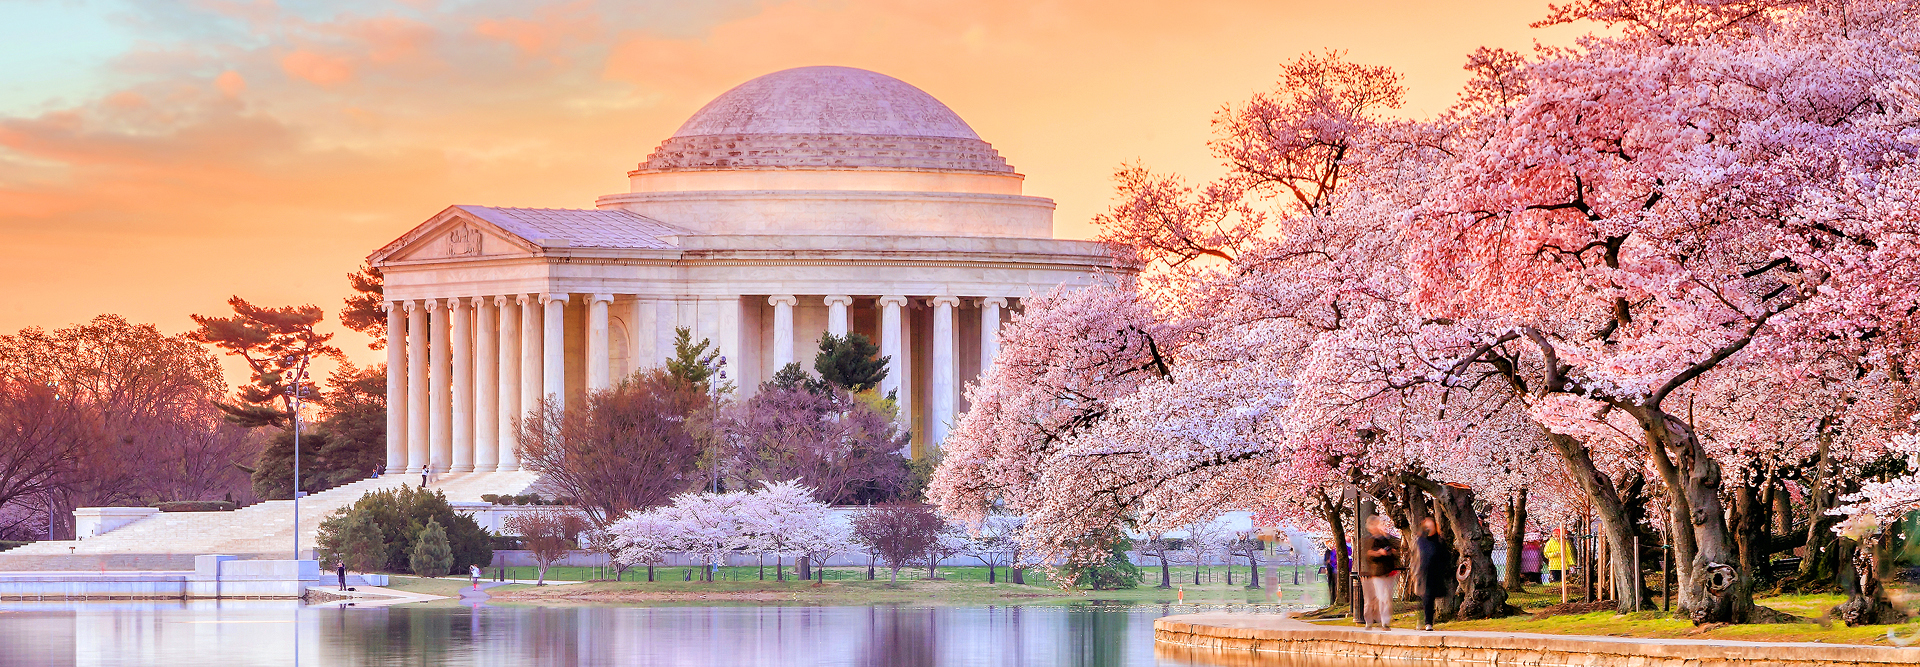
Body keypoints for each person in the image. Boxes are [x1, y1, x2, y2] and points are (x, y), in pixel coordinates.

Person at [1360, 515, 1403, 631]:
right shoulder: (1369, 540)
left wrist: (1392, 552)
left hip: (1388, 571)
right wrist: (1379, 552)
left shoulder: (1386, 538)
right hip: (1376, 572)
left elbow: (1397, 547)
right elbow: (1368, 554)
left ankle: (1385, 621)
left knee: (1387, 597)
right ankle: (1375, 621)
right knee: (1378, 598)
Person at [1414, 518, 1451, 631]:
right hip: (1423, 573)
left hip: (1435, 573)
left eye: (1431, 526)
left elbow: (1445, 557)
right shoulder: (1420, 540)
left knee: (1430, 598)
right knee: (1426, 597)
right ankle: (1427, 622)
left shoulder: (1439, 541)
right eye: (1427, 526)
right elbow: (1415, 556)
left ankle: (1427, 621)